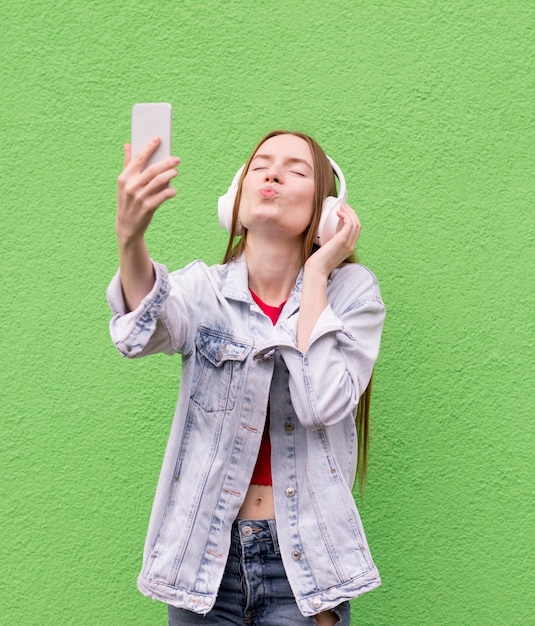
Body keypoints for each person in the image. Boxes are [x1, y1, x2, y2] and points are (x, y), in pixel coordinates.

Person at [107, 129, 386, 625]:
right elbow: (138, 335)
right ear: (235, 200)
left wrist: (319, 272)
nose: (274, 173)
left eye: (297, 170)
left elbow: (321, 404)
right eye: (261, 166)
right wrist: (131, 239)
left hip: (307, 570)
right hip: (205, 563)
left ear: (326, 213)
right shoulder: (204, 291)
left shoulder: (351, 293)